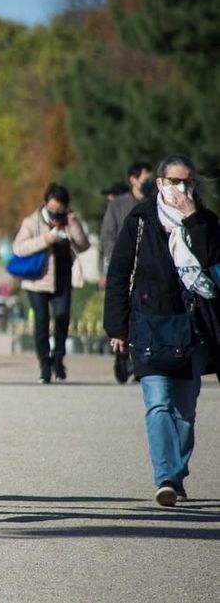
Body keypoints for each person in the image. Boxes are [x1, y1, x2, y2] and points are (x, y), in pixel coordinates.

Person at [104, 154, 220, 506]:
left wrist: (192, 220)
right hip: (150, 326)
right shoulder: (139, 221)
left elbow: (211, 258)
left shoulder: (205, 222)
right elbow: (119, 273)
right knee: (157, 404)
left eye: (187, 182)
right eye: (174, 182)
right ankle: (166, 476)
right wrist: (117, 327)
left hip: (193, 328)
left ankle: (178, 470)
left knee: (185, 409)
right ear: (159, 184)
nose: (181, 189)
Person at [13, 183, 91, 383]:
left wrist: (73, 225)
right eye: (52, 209)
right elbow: (19, 248)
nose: (56, 213)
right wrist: (45, 239)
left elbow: (83, 245)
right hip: (37, 281)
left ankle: (58, 358)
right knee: (41, 321)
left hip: (63, 279)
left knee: (63, 317)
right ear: (45, 203)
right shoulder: (31, 222)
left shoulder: (69, 220)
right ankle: (44, 364)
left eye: (59, 210)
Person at [100, 162, 155, 288]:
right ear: (133, 180)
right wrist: (118, 258)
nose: (149, 183)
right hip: (123, 267)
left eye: (151, 180)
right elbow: (107, 236)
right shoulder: (117, 205)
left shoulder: (156, 203)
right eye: (146, 180)